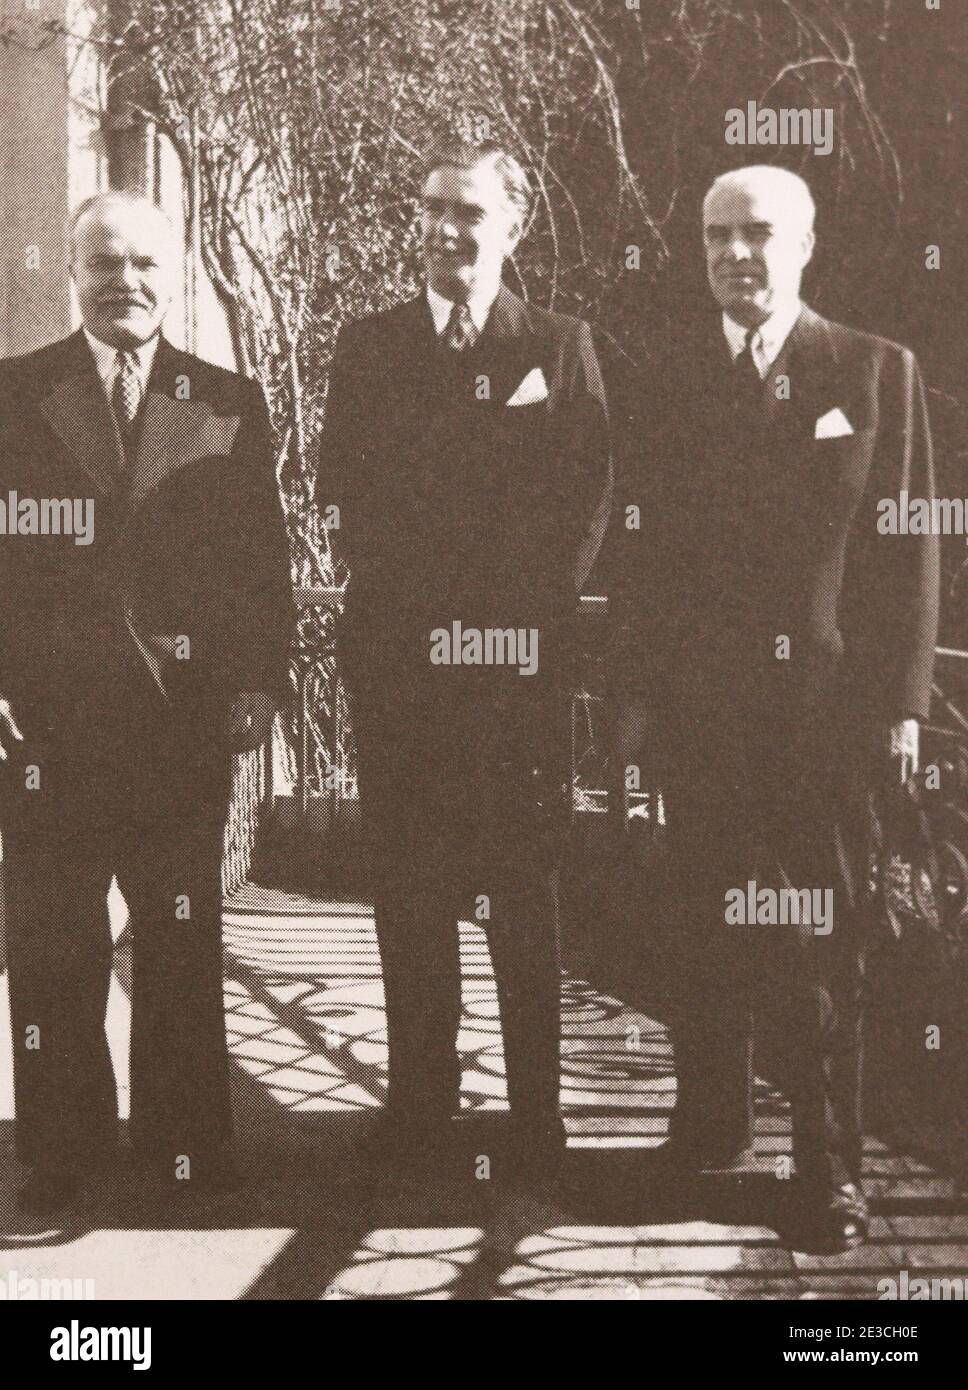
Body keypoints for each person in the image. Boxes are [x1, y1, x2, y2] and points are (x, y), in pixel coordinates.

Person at [611, 165, 938, 1250]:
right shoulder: (663, 379)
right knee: (700, 926)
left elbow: (905, 553)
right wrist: (633, 701)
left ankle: (825, 1166)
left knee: (820, 942)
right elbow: (641, 558)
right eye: (715, 237)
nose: (734, 256)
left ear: (804, 247)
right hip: (702, 718)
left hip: (824, 720)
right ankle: (707, 1130)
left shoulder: (873, 372)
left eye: (756, 235)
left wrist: (898, 705)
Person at [317, 139, 611, 1173]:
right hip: (402, 670)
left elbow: (585, 503)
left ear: (511, 224)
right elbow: (344, 492)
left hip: (515, 677)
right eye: (434, 209)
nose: (448, 230)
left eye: (469, 212)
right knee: (409, 891)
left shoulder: (559, 345)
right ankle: (419, 1109)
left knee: (520, 897)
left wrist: (512, 626)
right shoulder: (369, 345)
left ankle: (536, 1113)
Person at [0, 191, 292, 1220]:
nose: (124, 282)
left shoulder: (225, 400)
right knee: (51, 945)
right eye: (103, 263)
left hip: (179, 722)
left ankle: (183, 1150)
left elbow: (262, 558)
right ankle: (63, 1149)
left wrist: (259, 678)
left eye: (143, 265)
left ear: (173, 276)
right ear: (70, 272)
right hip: (44, 728)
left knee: (177, 935)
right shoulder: (14, 392)